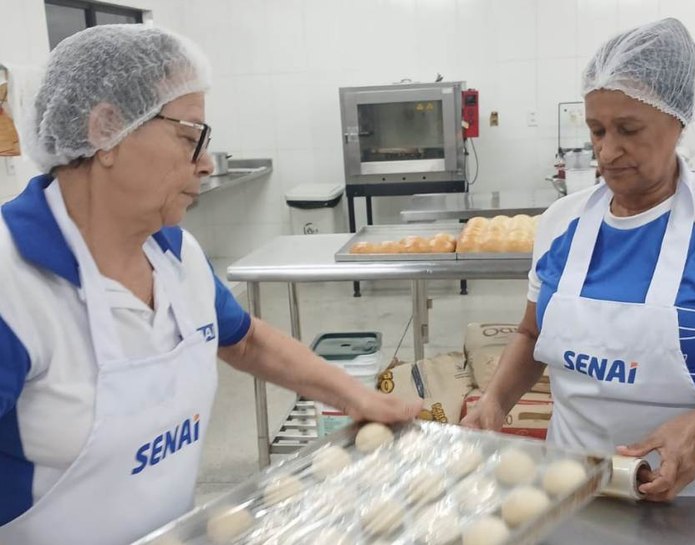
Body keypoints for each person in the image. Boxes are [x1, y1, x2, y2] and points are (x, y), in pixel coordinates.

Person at [0, 25, 419, 544]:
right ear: (107, 129)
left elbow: (243, 339)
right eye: (188, 136)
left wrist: (356, 398)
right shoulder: (13, 283)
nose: (204, 163)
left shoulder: (174, 254)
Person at [462, 18, 695, 500]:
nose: (607, 150)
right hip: (576, 487)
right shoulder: (562, 223)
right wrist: (495, 400)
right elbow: (531, 333)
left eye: (628, 129)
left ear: (677, 121)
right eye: (597, 130)